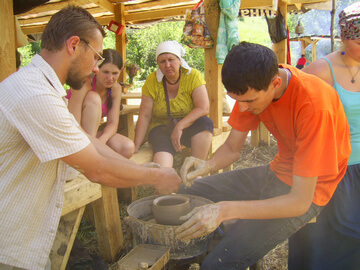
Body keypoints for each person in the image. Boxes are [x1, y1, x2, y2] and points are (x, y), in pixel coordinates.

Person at [0, 6, 180, 270]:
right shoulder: (34, 94)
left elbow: (85, 139)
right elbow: (96, 168)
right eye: (96, 57)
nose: (97, 69)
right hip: (9, 242)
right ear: (74, 45)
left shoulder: (40, 86)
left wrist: (140, 168)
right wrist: (158, 177)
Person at [175, 41, 351, 270]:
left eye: (249, 101)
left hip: (310, 190)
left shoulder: (315, 106)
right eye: (238, 101)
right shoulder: (252, 84)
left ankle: (226, 246)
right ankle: (223, 239)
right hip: (278, 171)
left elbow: (299, 202)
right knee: (189, 192)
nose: (244, 108)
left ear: (275, 83)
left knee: (216, 265)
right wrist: (206, 164)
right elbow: (231, 148)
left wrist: (224, 210)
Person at [288, 3, 360, 269]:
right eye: (359, 40)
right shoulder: (320, 71)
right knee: (332, 242)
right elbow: (293, 118)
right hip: (338, 171)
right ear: (343, 37)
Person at [134, 40, 214, 168]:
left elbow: (203, 108)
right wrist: (136, 145)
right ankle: (165, 184)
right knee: (163, 171)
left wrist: (179, 126)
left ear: (180, 60)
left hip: (188, 126)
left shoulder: (193, 76)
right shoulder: (152, 81)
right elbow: (145, 115)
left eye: (171, 59)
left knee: (205, 123)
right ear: (158, 64)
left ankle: (195, 172)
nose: (167, 65)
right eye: (162, 61)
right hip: (162, 129)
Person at [66, 49, 135, 158]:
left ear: (121, 71)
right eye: (105, 72)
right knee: (94, 97)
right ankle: (90, 154)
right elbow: (73, 122)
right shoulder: (85, 83)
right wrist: (94, 144)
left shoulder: (115, 89)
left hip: (91, 135)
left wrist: (102, 140)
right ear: (97, 69)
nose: (110, 78)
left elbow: (112, 123)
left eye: (115, 73)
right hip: (72, 133)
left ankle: (95, 153)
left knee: (128, 147)